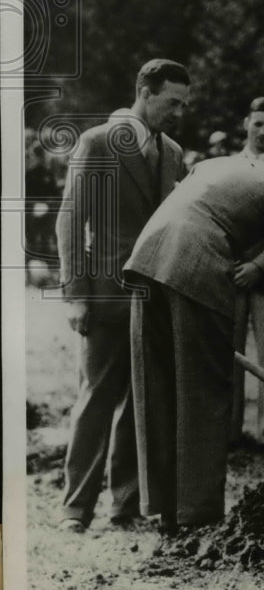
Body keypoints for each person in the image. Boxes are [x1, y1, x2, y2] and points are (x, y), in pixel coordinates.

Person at [125, 137, 264, 531]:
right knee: (205, 395)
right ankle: (200, 519)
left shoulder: (220, 163)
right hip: (195, 271)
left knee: (162, 388)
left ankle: (169, 512)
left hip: (147, 262)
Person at [55, 59, 190, 532]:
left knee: (142, 401)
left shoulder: (172, 152)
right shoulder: (97, 143)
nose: (178, 112)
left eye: (183, 104)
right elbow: (71, 220)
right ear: (143, 91)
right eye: (171, 101)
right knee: (97, 398)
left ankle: (125, 505)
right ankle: (76, 508)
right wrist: (75, 295)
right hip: (106, 294)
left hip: (154, 295)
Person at [229, 97, 264, 443]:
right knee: (227, 350)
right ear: (246, 123)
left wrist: (259, 265)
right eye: (257, 123)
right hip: (229, 272)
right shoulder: (226, 166)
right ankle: (228, 429)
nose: (263, 132)